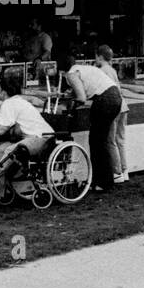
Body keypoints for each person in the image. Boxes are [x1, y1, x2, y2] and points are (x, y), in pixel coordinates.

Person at [0, 69, 54, 200]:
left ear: (4, 92)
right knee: (2, 148)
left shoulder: (9, 104)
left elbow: (1, 130)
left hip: (40, 139)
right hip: (43, 138)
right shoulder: (17, 101)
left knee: (10, 150)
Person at [58, 52, 123, 191]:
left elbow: (81, 97)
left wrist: (68, 105)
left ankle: (102, 182)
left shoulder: (71, 73)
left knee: (96, 142)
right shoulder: (83, 68)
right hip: (115, 97)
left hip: (104, 101)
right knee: (101, 141)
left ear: (61, 70)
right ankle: (104, 180)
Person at [97, 44, 131, 183]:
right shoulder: (112, 70)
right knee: (120, 140)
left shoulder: (102, 71)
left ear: (99, 57)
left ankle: (117, 173)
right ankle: (124, 170)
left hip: (114, 108)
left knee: (110, 141)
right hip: (123, 106)